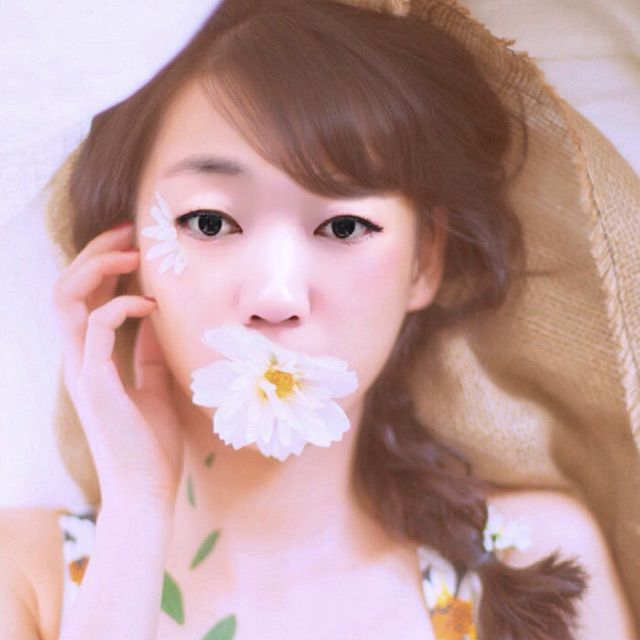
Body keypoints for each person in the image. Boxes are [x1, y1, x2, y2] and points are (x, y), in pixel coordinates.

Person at [0, 0, 637, 638]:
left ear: (425, 261)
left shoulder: (532, 565)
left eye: (343, 226)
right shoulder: (27, 573)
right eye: (211, 222)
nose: (277, 296)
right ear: (125, 252)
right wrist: (138, 514)